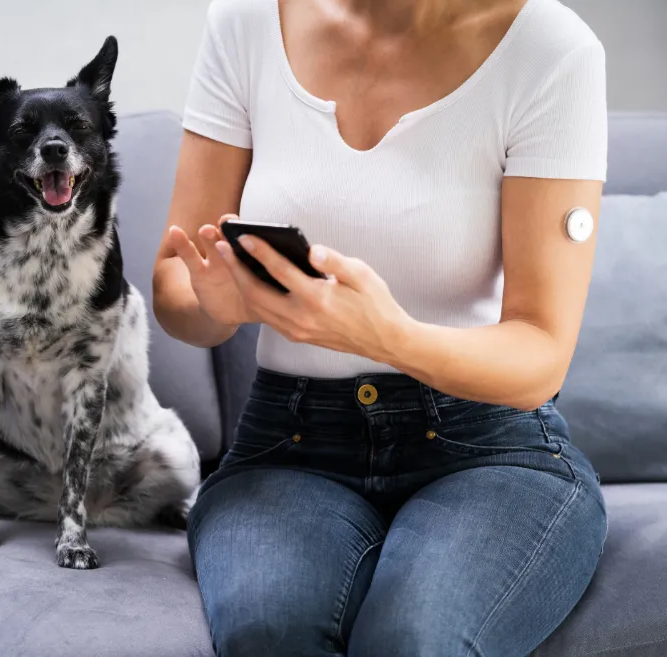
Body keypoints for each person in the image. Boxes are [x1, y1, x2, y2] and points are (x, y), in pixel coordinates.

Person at [152, 0, 608, 654]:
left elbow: (541, 354)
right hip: (290, 443)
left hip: (487, 446)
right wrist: (224, 303)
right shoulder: (246, 23)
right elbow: (174, 283)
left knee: (410, 641)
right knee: (266, 634)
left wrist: (385, 335)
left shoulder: (550, 49)